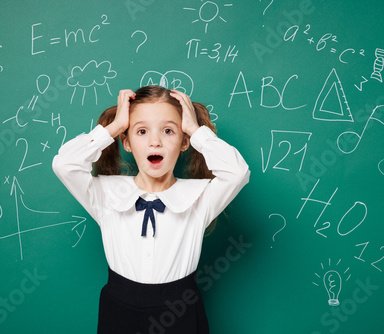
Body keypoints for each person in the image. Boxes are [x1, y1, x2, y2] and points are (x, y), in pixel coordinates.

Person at [52, 85, 250, 333]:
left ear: (184, 142)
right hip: (119, 311)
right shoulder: (105, 194)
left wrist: (196, 131)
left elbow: (238, 172)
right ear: (126, 142)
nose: (155, 141)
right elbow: (64, 164)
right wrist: (114, 127)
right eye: (142, 131)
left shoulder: (199, 197)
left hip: (181, 312)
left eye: (168, 131)